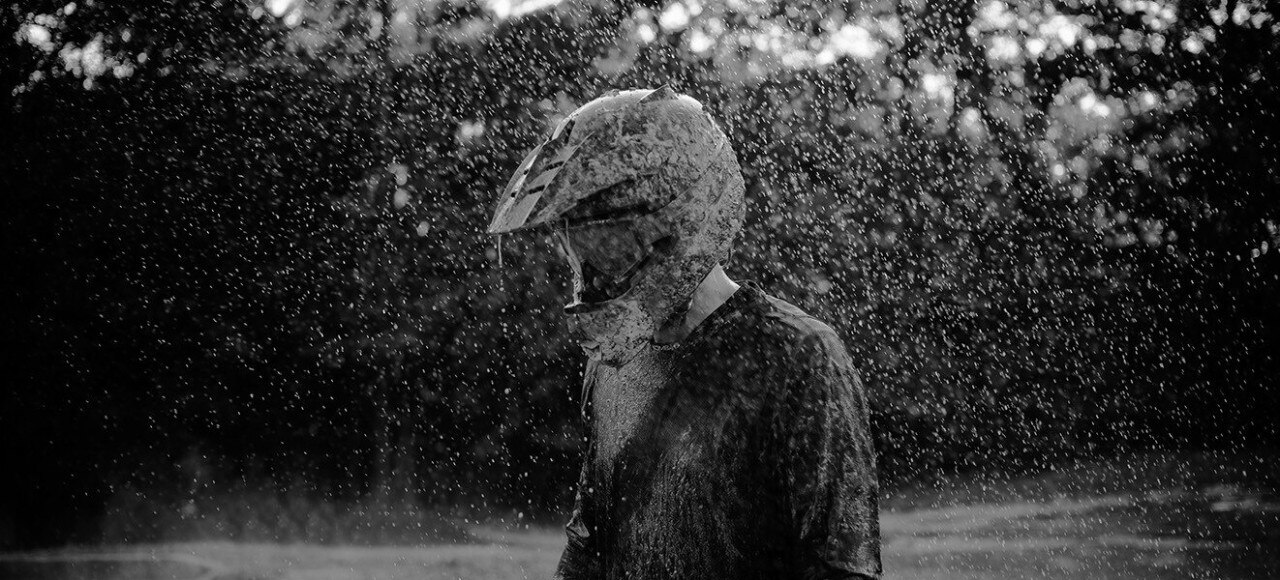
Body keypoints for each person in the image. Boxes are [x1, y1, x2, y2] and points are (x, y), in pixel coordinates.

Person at [489, 87, 881, 580]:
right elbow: (590, 542)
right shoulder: (615, 356)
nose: (589, 273)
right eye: (573, 246)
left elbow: (839, 564)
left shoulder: (798, 356)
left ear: (678, 221)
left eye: (604, 242)